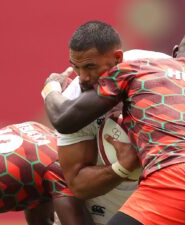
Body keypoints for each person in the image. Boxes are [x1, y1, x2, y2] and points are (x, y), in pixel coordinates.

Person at [43, 24, 185, 225]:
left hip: (177, 181)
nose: (83, 77)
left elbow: (62, 119)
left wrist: (51, 88)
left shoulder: (144, 67)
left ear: (175, 53)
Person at [43, 21, 170, 225]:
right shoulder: (74, 98)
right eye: (76, 67)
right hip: (104, 211)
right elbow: (77, 184)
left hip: (164, 203)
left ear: (118, 58)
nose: (83, 77)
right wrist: (122, 167)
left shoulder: (159, 69)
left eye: (90, 66)